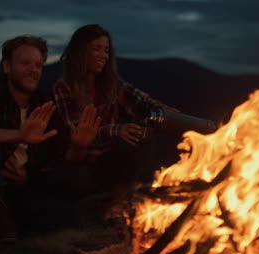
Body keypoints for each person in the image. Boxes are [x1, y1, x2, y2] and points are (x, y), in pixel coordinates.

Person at [0, 35, 100, 242]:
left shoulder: (44, 104)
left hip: (29, 184)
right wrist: (18, 135)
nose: (33, 70)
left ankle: (35, 218)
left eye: (38, 66)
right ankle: (3, 222)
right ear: (7, 67)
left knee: (80, 182)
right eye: (25, 63)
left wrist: (79, 147)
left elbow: (61, 158)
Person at [53, 24, 177, 216]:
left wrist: (172, 116)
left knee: (144, 132)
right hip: (80, 162)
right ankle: (108, 205)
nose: (103, 55)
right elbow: (77, 131)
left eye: (106, 50)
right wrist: (116, 130)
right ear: (80, 51)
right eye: (96, 49)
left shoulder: (112, 84)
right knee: (75, 181)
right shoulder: (64, 86)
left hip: (109, 160)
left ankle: (116, 202)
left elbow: (143, 102)